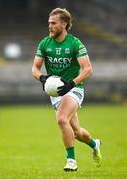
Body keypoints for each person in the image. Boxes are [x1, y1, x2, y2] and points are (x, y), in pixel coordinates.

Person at [32, 7, 102, 171]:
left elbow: (88, 69)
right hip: (56, 93)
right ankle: (95, 144)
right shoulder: (44, 43)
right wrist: (42, 78)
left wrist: (72, 83)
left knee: (62, 119)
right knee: (77, 133)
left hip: (74, 89)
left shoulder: (75, 43)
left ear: (64, 24)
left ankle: (71, 161)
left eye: (53, 23)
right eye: (49, 23)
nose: (49, 26)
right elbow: (35, 68)